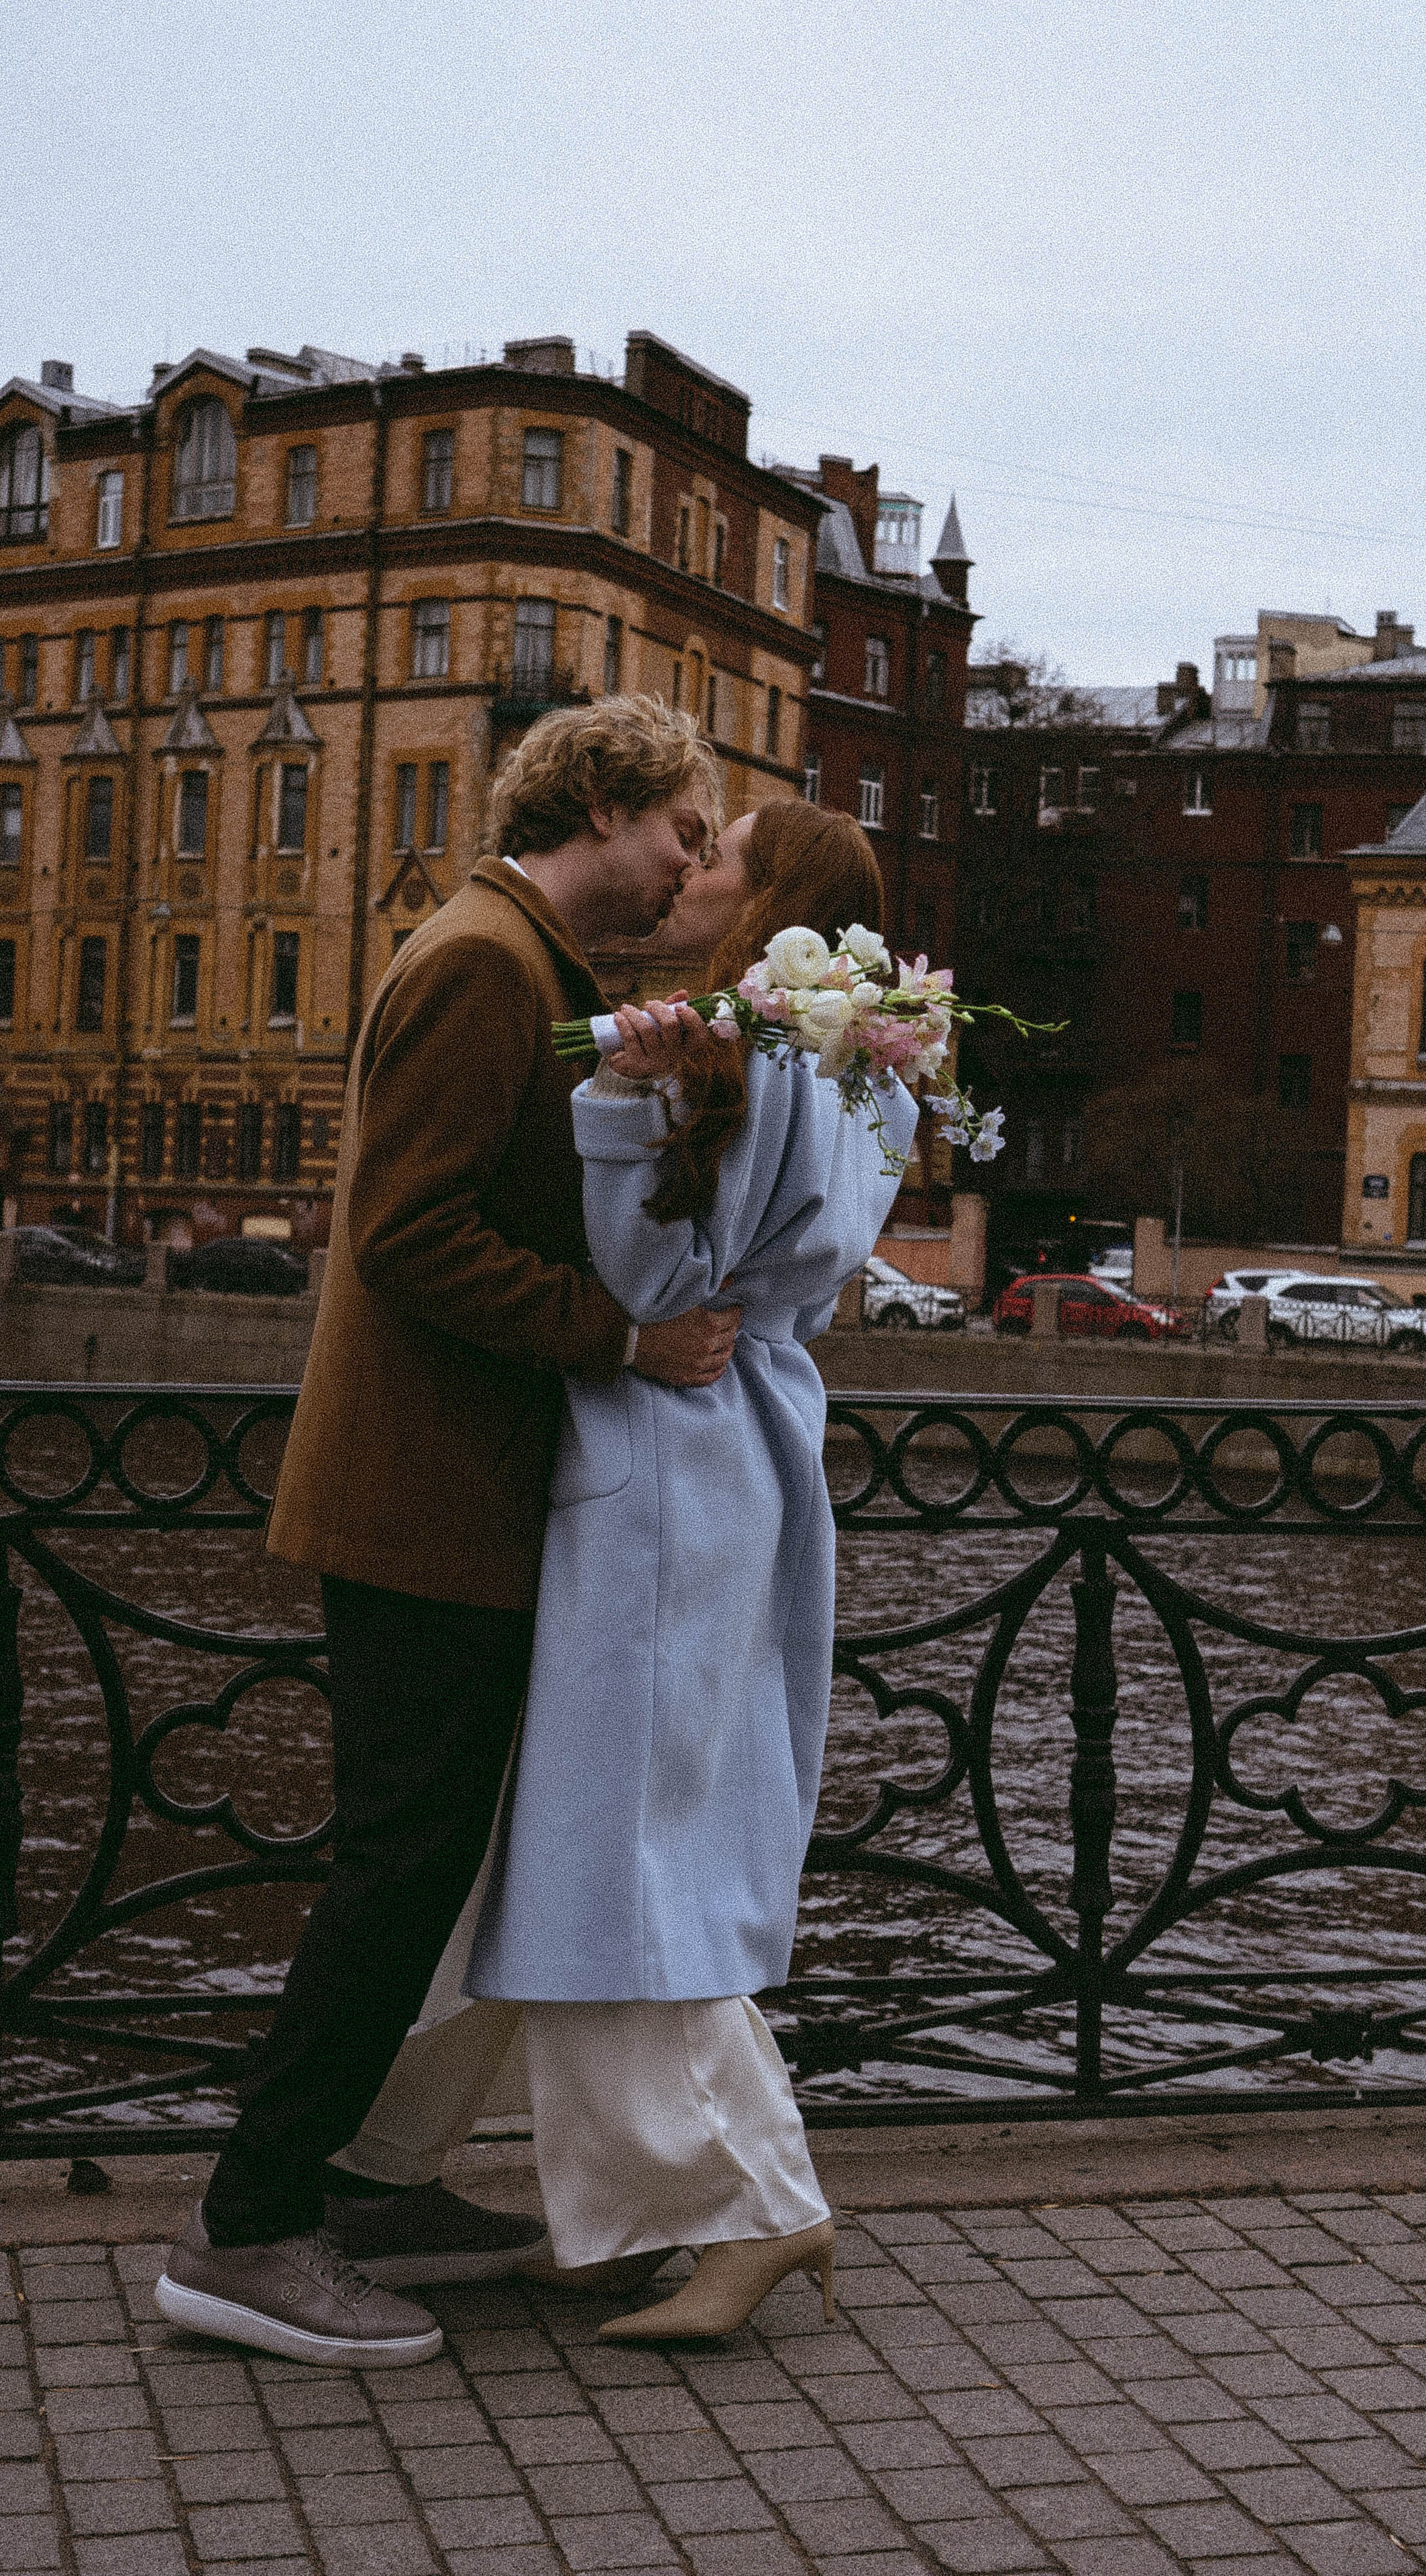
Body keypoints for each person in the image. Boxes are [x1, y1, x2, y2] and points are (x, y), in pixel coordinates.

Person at [155, 698, 742, 2369]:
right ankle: (248, 2230)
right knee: (398, 1868)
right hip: (424, 1499)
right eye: (681, 832)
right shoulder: (486, 965)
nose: (689, 867)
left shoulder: (523, 962)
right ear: (605, 803)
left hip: (450, 1494)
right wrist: (618, 1336)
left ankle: (358, 2186)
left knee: (429, 1867)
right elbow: (405, 1236)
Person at [341, 800, 911, 2341]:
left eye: (716, 855)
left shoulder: (728, 1049)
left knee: (621, 1857)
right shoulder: (865, 1062)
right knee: (610, 1840)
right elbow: (799, 1276)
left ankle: (759, 2209)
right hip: (747, 1443)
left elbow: (659, 1278)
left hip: (658, 1455)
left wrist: (612, 1101)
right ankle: (607, 2213)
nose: (685, 871)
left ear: (764, 897)